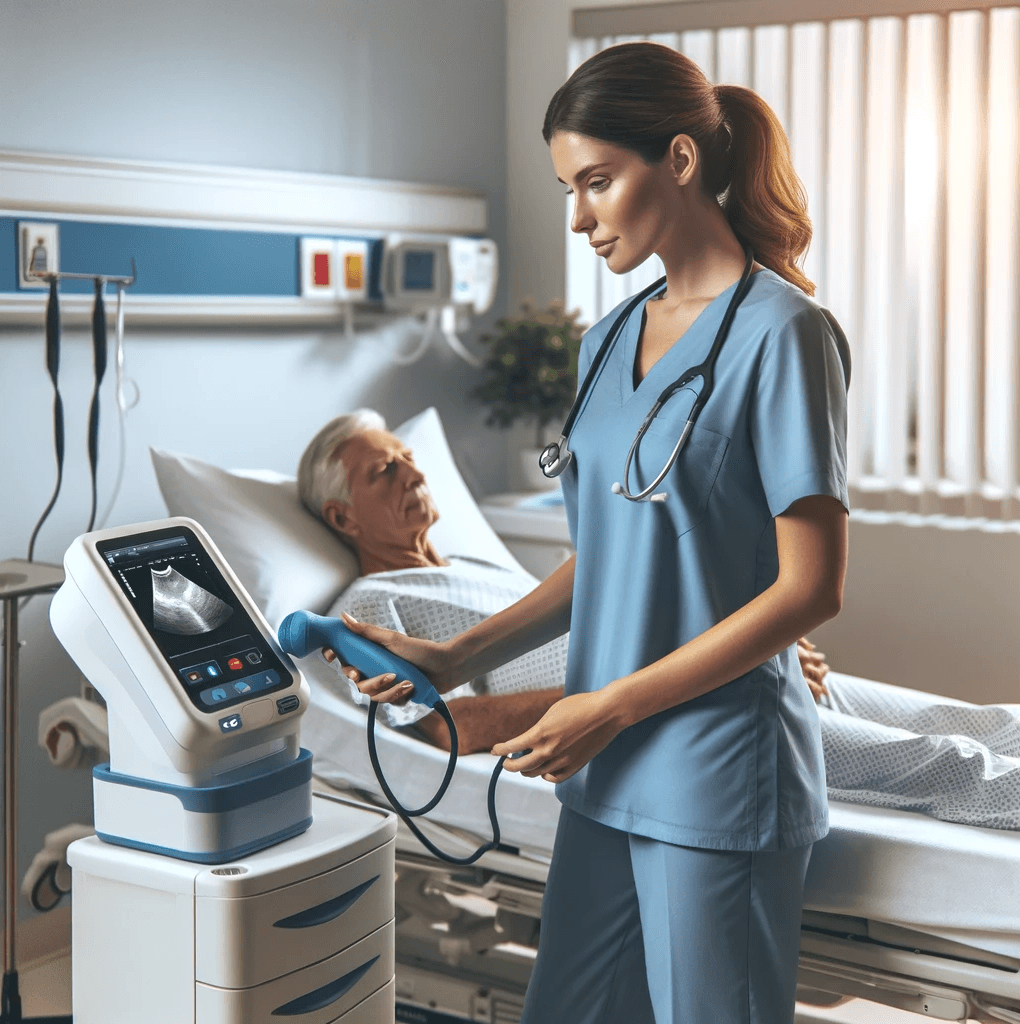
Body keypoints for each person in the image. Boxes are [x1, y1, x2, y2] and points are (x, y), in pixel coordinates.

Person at [319, 41, 851, 1023]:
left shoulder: (785, 335)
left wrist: (609, 704)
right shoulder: (604, 341)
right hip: (604, 773)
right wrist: (454, 653)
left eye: (597, 181)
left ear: (681, 161)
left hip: (716, 775)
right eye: (569, 186)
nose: (577, 216)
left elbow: (808, 589)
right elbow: (610, 552)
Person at [296, 409, 831, 755]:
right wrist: (665, 691)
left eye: (409, 460)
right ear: (343, 519)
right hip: (690, 704)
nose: (414, 475)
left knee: (913, 716)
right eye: (384, 471)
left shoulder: (471, 564)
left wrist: (755, 634)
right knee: (915, 761)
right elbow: (440, 727)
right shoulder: (368, 606)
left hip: (722, 664)